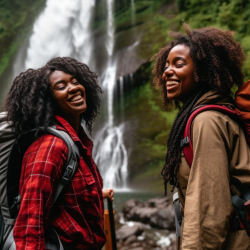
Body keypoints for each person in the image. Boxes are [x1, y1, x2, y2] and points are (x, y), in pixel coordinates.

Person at [152, 24, 250, 249]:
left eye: (178, 64)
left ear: (203, 72)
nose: (167, 71)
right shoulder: (208, 115)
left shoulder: (207, 121)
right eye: (166, 65)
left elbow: (208, 209)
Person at [6, 57, 114, 250]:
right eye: (61, 86)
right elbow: (30, 223)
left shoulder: (75, 141)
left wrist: (99, 194)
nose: (73, 88)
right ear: (48, 100)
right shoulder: (51, 146)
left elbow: (64, 194)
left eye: (75, 81)